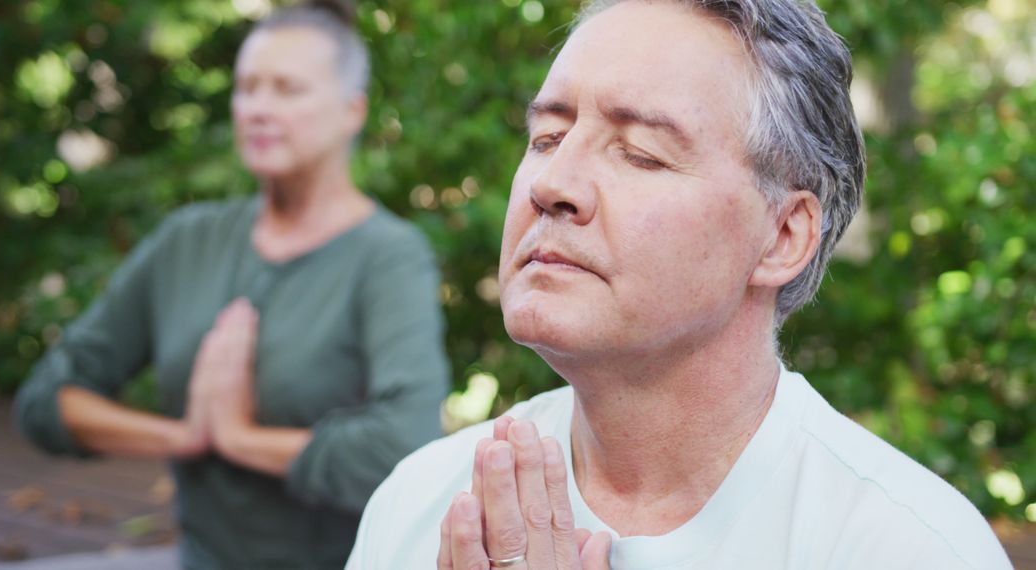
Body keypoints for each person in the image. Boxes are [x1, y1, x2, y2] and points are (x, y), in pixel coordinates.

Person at [346, 1, 1013, 568]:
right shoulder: (425, 505)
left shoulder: (906, 547)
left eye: (640, 153)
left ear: (783, 236)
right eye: (548, 138)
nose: (553, 185)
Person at [14, 1, 450, 568]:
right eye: (248, 88)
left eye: (288, 89)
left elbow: (406, 446)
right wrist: (185, 436)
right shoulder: (187, 241)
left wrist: (239, 438)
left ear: (352, 111)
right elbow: (47, 401)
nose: (259, 109)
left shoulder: (389, 257)